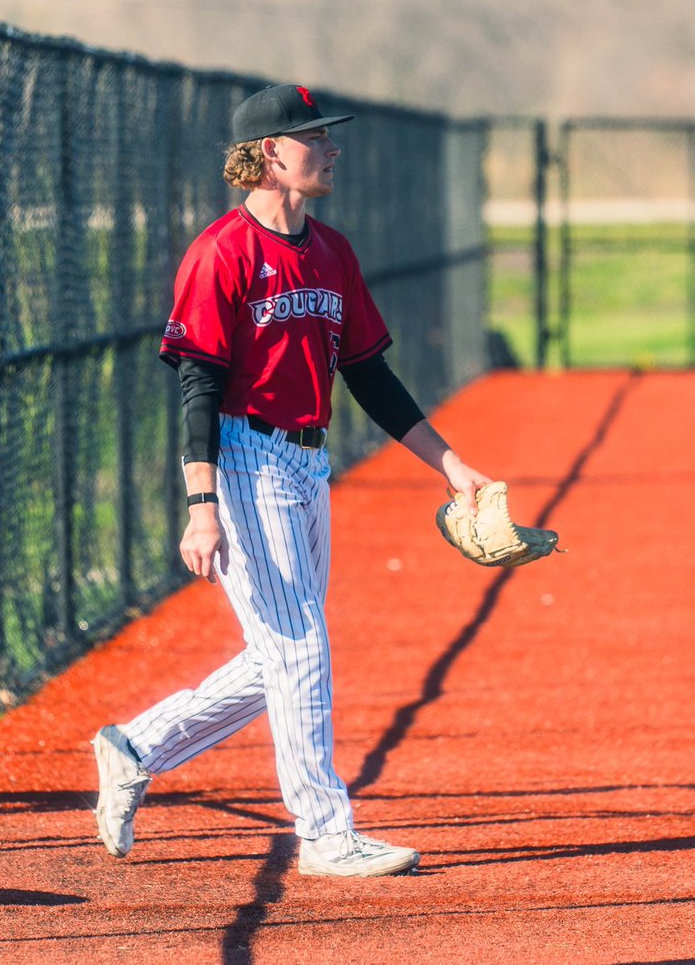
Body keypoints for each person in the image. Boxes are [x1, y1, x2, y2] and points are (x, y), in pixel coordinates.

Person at [93, 83, 491, 878]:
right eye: (316, 137)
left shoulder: (332, 252)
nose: (333, 149)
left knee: (280, 652)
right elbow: (198, 385)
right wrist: (201, 505)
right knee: (300, 645)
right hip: (243, 457)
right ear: (271, 152)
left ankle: (136, 745)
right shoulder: (221, 252)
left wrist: (451, 465)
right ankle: (324, 830)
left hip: (308, 460)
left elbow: (372, 377)